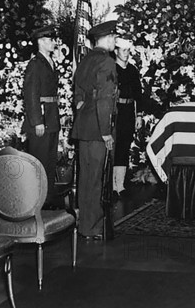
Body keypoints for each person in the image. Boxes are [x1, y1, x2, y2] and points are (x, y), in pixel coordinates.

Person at [71, 20, 118, 240]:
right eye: (114, 38)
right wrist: (106, 131)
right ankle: (95, 227)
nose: (115, 42)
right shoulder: (107, 62)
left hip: (83, 125)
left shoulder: (85, 59)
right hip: (99, 129)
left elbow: (78, 90)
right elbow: (105, 100)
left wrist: (81, 105)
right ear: (107, 39)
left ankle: (84, 227)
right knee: (97, 180)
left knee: (85, 178)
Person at [22, 25, 61, 208]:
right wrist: (37, 121)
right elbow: (31, 95)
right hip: (42, 120)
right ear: (41, 41)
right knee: (39, 160)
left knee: (49, 160)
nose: (54, 42)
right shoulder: (35, 64)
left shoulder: (49, 62)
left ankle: (47, 197)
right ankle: (37, 199)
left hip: (51, 118)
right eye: (50, 39)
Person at [113, 37, 143, 196]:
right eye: (123, 50)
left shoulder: (132, 70)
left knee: (124, 147)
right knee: (114, 147)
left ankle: (120, 185)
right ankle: (111, 185)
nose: (126, 54)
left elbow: (139, 94)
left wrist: (138, 115)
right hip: (115, 111)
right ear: (116, 51)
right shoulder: (111, 69)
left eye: (128, 51)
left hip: (128, 112)